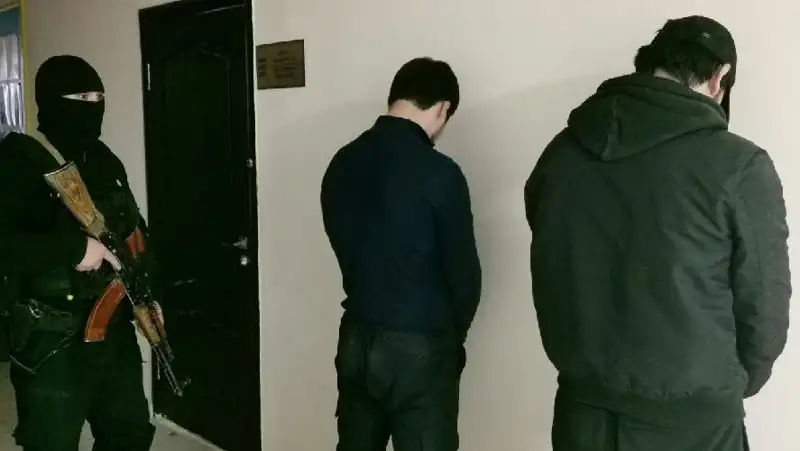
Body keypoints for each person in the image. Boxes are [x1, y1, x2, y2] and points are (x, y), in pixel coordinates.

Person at [524, 16, 790, 451]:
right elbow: (764, 303)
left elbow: (551, 260)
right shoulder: (740, 167)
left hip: (582, 415)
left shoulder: (561, 154)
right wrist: (729, 387)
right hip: (694, 427)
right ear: (720, 77)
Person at [321, 57, 482, 451]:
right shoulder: (440, 173)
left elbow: (344, 245)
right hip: (420, 347)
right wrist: (451, 340)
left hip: (356, 338)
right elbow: (464, 276)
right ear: (443, 109)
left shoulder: (342, 161)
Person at [0, 55, 158, 451]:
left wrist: (149, 294)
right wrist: (73, 249)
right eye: (81, 97)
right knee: (51, 442)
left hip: (114, 332)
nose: (93, 106)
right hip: (51, 338)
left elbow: (133, 231)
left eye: (98, 97)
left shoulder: (104, 160)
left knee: (129, 434)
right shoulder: (18, 161)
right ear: (51, 100)